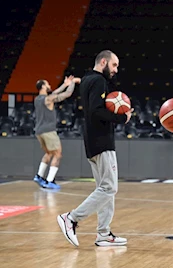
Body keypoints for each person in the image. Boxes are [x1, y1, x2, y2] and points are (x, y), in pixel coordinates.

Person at [57, 51, 131, 247]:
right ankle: (71, 218)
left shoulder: (89, 79)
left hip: (92, 140)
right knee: (109, 188)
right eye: (114, 65)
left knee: (106, 188)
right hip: (101, 140)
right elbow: (97, 110)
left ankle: (104, 234)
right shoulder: (98, 81)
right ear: (104, 62)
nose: (116, 70)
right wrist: (122, 118)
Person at [33, 75, 79, 190]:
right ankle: (49, 181)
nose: (49, 85)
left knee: (49, 154)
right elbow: (67, 94)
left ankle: (39, 176)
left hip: (39, 131)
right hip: (48, 131)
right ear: (43, 86)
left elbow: (53, 94)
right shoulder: (48, 99)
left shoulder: (38, 99)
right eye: (47, 84)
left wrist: (65, 84)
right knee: (57, 154)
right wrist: (72, 83)